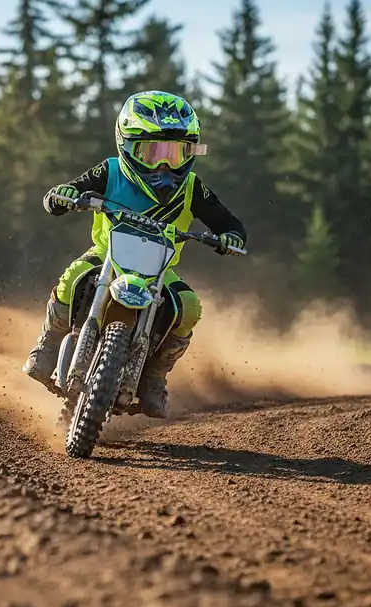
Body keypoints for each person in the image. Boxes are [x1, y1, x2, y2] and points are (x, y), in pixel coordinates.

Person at [22, 90, 247, 418]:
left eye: (176, 154)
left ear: (192, 152)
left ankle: (154, 378)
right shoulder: (110, 171)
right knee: (72, 279)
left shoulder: (193, 188)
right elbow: (66, 191)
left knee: (189, 307)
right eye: (153, 152)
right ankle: (47, 345)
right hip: (106, 256)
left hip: (159, 270)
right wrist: (63, 196)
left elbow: (229, 222)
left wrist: (230, 237)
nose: (165, 164)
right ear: (126, 145)